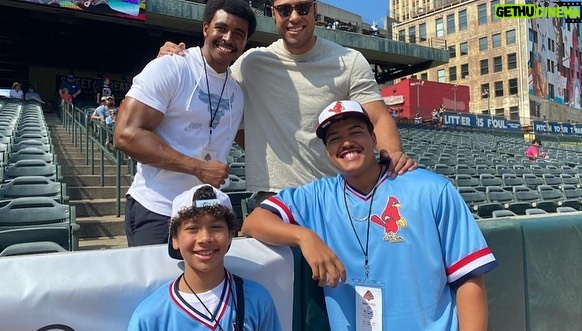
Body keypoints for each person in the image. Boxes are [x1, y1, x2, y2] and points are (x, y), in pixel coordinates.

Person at [242, 100, 498, 330]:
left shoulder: (431, 188)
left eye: (355, 132)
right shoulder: (316, 196)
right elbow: (254, 222)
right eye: (334, 139)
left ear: (373, 138)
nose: (346, 143)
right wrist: (305, 237)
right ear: (327, 151)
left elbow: (470, 280)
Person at [158, 0, 416, 203]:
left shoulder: (349, 61)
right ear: (274, 13)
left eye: (302, 7)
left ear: (314, 10)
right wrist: (177, 57)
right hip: (273, 197)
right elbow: (210, 81)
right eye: (284, 9)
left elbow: (379, 118)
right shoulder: (252, 63)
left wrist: (392, 157)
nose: (294, 17)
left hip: (335, 193)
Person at [114, 0, 257, 246]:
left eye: (238, 34)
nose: (228, 38)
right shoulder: (172, 66)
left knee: (203, 286)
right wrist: (197, 168)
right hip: (159, 208)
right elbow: (126, 134)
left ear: (245, 42)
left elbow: (253, 142)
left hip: (207, 214)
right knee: (157, 285)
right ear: (205, 29)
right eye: (221, 28)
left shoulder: (236, 91)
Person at [127, 184, 282, 330]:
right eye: (192, 228)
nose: (205, 238)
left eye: (215, 227)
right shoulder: (149, 317)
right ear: (174, 239)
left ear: (230, 235)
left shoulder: (257, 299)